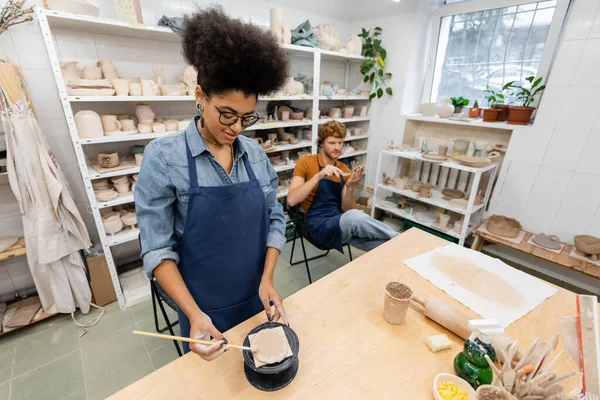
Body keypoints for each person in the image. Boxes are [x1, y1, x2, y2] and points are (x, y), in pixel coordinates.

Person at [135, 7, 290, 360]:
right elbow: (157, 249)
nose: (236, 128)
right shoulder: (163, 158)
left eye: (246, 118)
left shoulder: (255, 155)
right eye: (227, 114)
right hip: (202, 308)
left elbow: (275, 219)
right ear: (200, 96)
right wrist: (193, 315)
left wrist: (267, 279)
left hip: (256, 296)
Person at [288, 121, 398, 253]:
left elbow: (347, 210)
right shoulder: (306, 162)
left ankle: (408, 254)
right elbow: (291, 200)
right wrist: (319, 176)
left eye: (340, 143)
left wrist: (350, 186)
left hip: (338, 221)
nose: (337, 147)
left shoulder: (343, 169)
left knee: (383, 245)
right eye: (332, 143)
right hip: (317, 225)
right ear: (322, 143)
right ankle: (402, 239)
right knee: (355, 218)